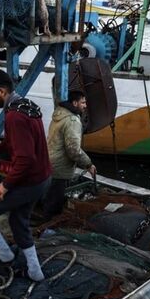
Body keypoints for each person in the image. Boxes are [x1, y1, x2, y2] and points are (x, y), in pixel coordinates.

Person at [0, 69, 52, 281]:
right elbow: (13, 140)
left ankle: (5, 255)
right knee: (18, 221)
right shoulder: (25, 106)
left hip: (28, 182)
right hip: (42, 178)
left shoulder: (14, 115)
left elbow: (25, 159)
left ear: (2, 91)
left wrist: (5, 185)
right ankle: (35, 272)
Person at [43, 89, 95, 218]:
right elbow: (73, 150)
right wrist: (88, 165)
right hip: (60, 167)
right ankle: (48, 229)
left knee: (49, 196)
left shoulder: (60, 113)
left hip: (49, 161)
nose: (85, 105)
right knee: (55, 202)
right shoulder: (72, 120)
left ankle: (45, 220)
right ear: (75, 103)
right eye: (83, 102)